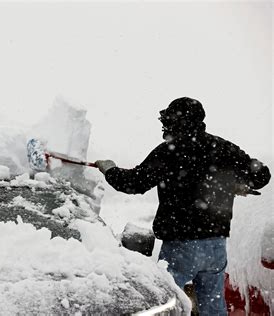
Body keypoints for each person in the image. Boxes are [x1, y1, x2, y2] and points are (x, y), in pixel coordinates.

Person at [95, 97, 271, 316]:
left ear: (174, 121)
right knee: (213, 308)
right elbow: (262, 175)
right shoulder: (224, 148)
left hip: (180, 246)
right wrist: (240, 182)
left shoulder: (168, 151)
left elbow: (133, 183)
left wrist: (110, 170)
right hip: (215, 246)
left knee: (167, 306)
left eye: (167, 121)